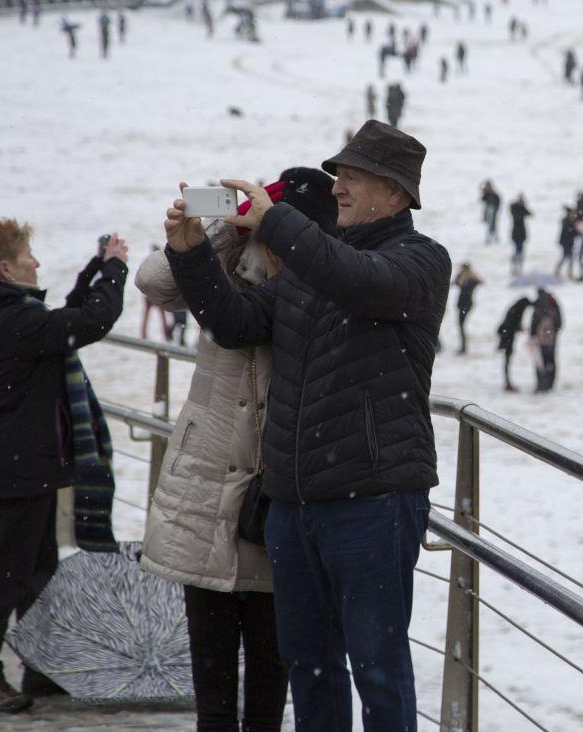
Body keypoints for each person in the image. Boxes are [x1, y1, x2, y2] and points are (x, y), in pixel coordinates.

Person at [162, 119, 449, 732]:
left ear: (395, 194)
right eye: (338, 175)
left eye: (353, 177)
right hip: (293, 506)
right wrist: (192, 251)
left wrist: (276, 223)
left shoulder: (419, 262)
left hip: (373, 498)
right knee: (310, 665)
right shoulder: (307, 272)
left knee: (377, 666)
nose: (337, 187)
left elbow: (358, 281)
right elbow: (234, 322)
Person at [138, 169, 338, 732]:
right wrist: (220, 231)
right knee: (213, 672)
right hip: (207, 480)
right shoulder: (229, 261)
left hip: (274, 490)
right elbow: (153, 281)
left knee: (271, 673)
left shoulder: (318, 284)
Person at [0, 219, 129, 713]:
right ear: (6, 268)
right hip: (22, 461)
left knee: (37, 568)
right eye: (29, 256)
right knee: (7, 572)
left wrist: (97, 266)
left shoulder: (5, 313)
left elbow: (63, 322)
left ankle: (41, 666)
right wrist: (115, 273)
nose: (37, 262)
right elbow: (88, 324)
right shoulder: (11, 321)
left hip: (26, 458)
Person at [496, 297, 534, 392]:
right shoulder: (517, 311)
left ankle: (508, 382)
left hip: (507, 336)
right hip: (507, 337)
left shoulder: (515, 308)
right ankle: (507, 383)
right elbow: (512, 325)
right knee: (507, 360)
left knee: (507, 360)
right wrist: (519, 328)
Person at [529, 287, 563, 393]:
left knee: (540, 361)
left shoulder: (539, 304)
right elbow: (559, 321)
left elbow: (534, 321)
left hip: (540, 338)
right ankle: (550, 383)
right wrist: (555, 331)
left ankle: (541, 384)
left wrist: (532, 334)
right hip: (552, 337)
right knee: (551, 360)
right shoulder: (553, 302)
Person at [451, 263, 483, 354]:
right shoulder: (463, 278)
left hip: (465, 305)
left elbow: (479, 282)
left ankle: (463, 347)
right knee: (461, 326)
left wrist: (467, 277)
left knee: (461, 326)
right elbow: (455, 282)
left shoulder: (470, 280)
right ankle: (463, 346)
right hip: (463, 304)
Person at [509, 193, 532, 275]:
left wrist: (523, 206)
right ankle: (515, 268)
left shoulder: (521, 209)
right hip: (517, 233)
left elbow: (530, 214)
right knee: (517, 251)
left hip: (521, 233)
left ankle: (518, 268)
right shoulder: (516, 208)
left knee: (520, 252)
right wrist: (521, 206)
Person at [554, 206, 577, 279]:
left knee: (569, 258)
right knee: (565, 257)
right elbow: (570, 232)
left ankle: (568, 272)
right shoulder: (566, 221)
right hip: (565, 243)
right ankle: (560, 271)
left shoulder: (571, 221)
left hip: (570, 243)